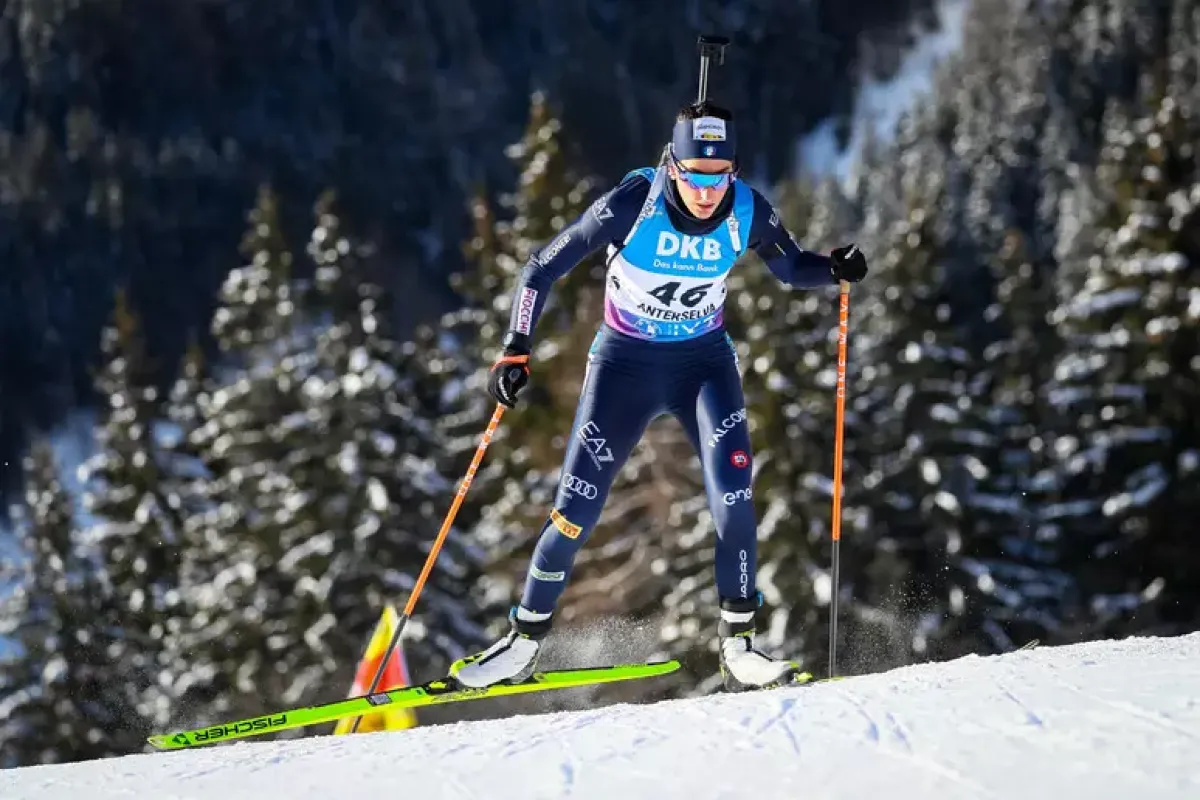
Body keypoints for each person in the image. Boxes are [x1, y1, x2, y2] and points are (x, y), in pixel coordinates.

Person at [449, 99, 868, 692]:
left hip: (703, 366)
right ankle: (522, 642)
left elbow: (791, 267)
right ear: (673, 165)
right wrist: (515, 347)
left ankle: (739, 645)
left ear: (734, 171)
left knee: (735, 500)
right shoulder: (631, 204)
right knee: (576, 511)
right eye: (695, 175)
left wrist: (834, 267)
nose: (705, 191)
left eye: (718, 176)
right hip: (624, 365)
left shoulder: (747, 209)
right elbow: (541, 268)